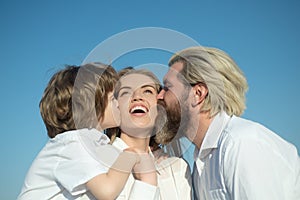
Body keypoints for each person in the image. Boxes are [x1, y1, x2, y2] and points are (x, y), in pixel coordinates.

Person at [156, 46, 300, 199]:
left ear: (198, 94)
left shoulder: (241, 144)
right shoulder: (201, 161)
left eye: (167, 87)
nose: (159, 96)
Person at [18, 63, 153, 200]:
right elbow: (107, 191)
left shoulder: (90, 144)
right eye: (113, 98)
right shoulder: (73, 143)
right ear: (91, 104)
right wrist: (128, 157)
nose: (119, 103)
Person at [106, 68, 192, 199]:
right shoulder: (98, 161)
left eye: (147, 91)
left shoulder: (177, 168)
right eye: (126, 92)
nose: (137, 97)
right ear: (115, 107)